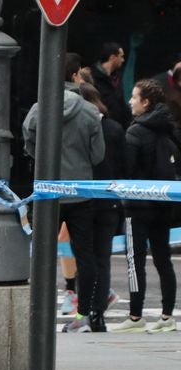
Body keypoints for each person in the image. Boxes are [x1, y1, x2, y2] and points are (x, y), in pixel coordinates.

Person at [23, 52, 105, 333]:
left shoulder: (40, 107)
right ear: (74, 76)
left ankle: (37, 307)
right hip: (81, 192)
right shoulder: (90, 112)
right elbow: (98, 156)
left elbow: (28, 138)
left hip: (49, 192)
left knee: (41, 251)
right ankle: (84, 312)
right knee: (85, 254)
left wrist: (42, 159)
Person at [112, 79, 178, 334]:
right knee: (163, 260)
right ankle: (166, 316)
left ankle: (136, 316)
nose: (130, 101)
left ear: (146, 102)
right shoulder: (168, 128)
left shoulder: (135, 132)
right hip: (164, 204)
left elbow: (126, 170)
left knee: (134, 261)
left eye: (134, 96)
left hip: (137, 207)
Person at [73, 82, 124, 332]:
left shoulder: (79, 128)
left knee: (85, 257)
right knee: (102, 258)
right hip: (110, 200)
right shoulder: (114, 129)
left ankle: (84, 308)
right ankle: (97, 313)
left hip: (83, 201)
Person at [92, 42, 130, 127]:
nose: (123, 60)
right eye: (121, 56)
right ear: (112, 57)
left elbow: (121, 103)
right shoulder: (92, 77)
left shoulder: (117, 77)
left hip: (118, 127)